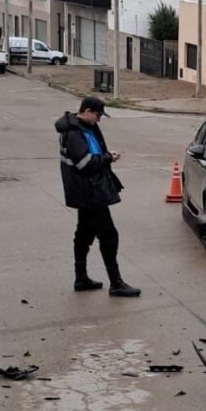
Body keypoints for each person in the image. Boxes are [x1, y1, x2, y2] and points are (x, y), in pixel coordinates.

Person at [55, 97, 141, 297]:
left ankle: (81, 278)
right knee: (109, 236)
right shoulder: (73, 132)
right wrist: (107, 158)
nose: (99, 119)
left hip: (90, 190)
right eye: (98, 115)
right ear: (86, 111)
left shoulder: (86, 127)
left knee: (84, 233)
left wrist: (105, 155)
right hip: (88, 192)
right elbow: (84, 164)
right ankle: (116, 283)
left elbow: (93, 153)